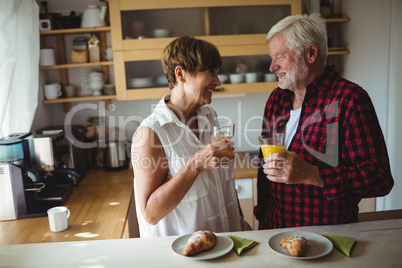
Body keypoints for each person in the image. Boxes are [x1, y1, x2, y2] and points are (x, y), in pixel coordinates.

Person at [254, 13, 394, 229]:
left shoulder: (350, 99)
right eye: (272, 58)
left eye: (280, 56)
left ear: (311, 52)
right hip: (274, 233)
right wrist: (263, 219)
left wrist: (313, 174)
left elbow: (379, 178)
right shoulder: (276, 99)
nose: (272, 67)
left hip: (326, 240)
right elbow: (265, 171)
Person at [131, 36, 251, 237]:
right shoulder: (152, 133)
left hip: (226, 243)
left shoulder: (210, 118)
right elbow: (150, 214)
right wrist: (195, 164)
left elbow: (225, 187)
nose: (218, 81)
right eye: (210, 72)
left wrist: (241, 227)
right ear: (181, 74)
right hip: (182, 255)